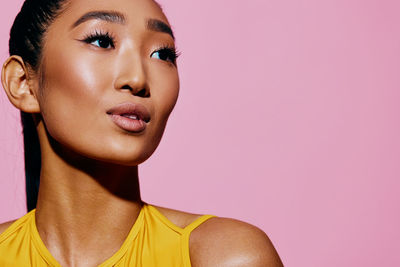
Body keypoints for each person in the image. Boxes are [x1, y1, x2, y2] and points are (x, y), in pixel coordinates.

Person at [0, 0, 283, 266]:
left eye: (162, 54)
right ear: (23, 83)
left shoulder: (224, 257)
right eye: (102, 41)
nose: (137, 79)